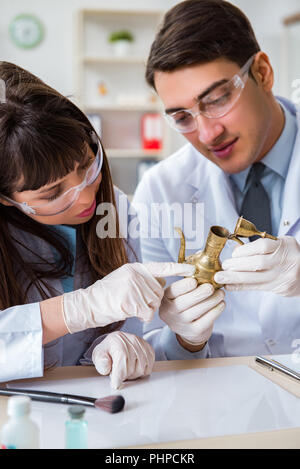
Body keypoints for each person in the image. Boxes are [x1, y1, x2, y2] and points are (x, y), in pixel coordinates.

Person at [0, 61, 196, 388]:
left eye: (88, 166)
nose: (84, 197)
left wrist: (113, 348)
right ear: (7, 198)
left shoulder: (114, 209)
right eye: (53, 193)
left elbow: (130, 333)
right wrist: (77, 309)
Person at [133, 0, 300, 358]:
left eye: (218, 98)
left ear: (263, 73)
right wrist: (184, 339)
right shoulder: (160, 190)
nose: (207, 134)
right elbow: (147, 345)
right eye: (182, 117)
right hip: (218, 402)